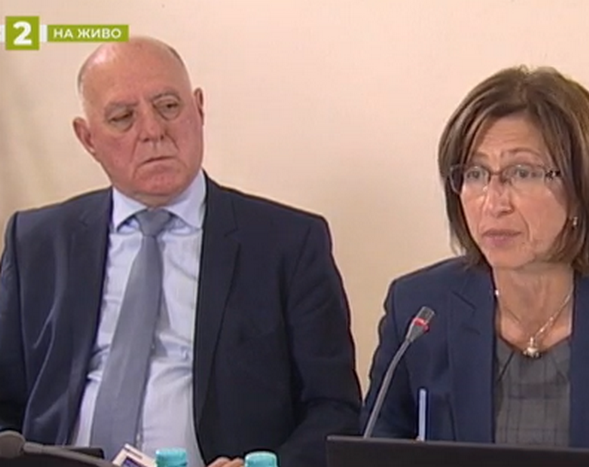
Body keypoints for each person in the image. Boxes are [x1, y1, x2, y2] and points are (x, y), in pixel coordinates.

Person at [0, 36, 361, 467]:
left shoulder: (288, 244)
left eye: (168, 106)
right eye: (123, 117)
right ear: (88, 138)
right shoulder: (37, 242)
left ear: (199, 109)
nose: (152, 131)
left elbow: (335, 410)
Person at [361, 66, 589, 450]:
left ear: (581, 187)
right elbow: (369, 451)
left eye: (522, 173)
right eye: (475, 174)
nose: (493, 203)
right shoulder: (420, 312)